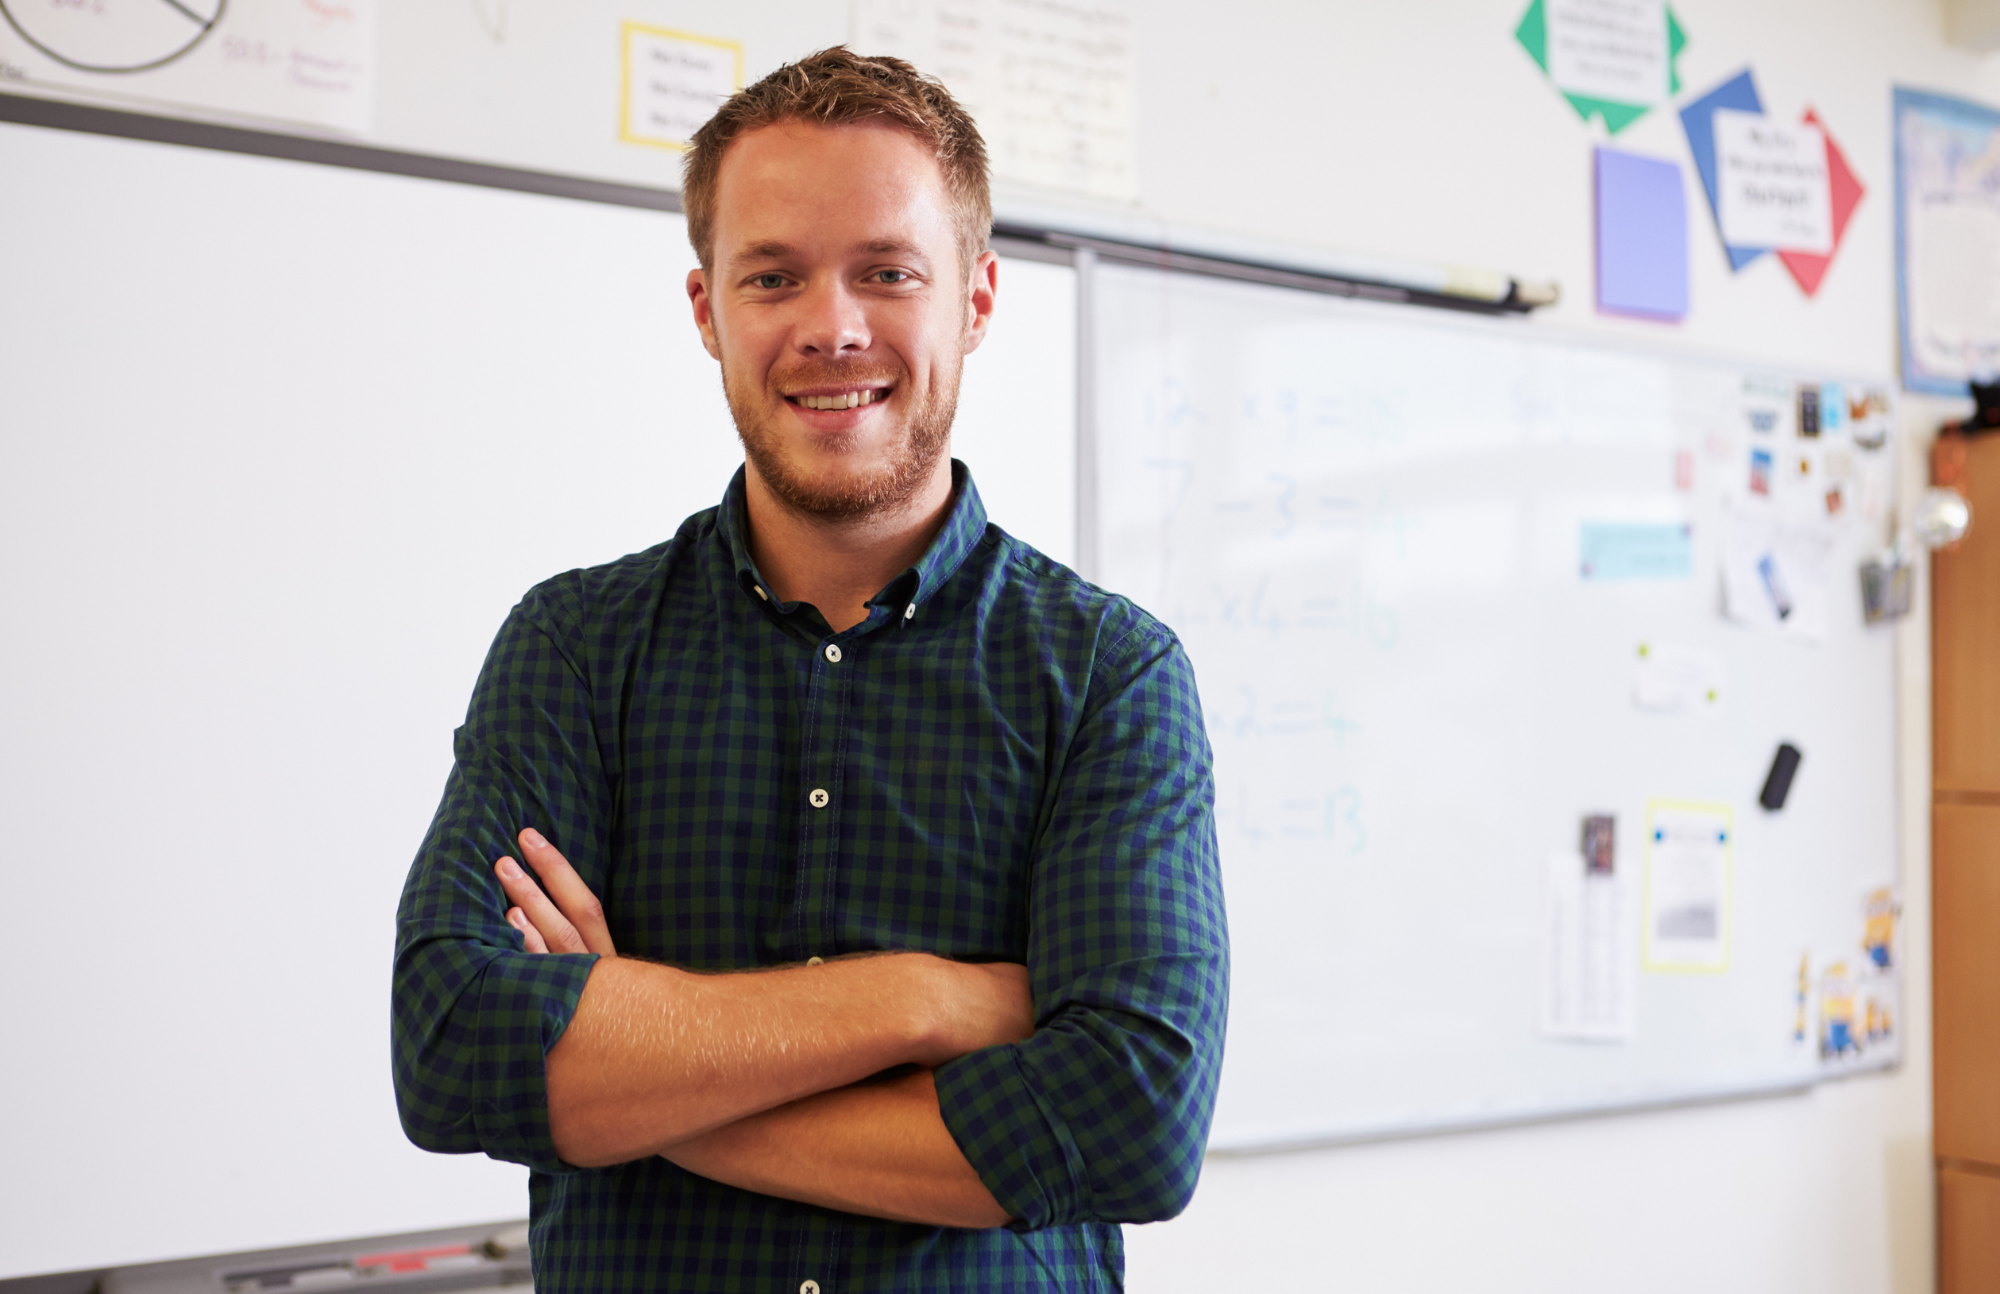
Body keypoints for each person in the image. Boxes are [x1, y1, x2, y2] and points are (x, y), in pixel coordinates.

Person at [391, 46, 1228, 1293]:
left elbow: (1131, 1122)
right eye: (772, 275)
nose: (831, 326)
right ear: (706, 310)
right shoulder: (572, 646)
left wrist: (642, 1074)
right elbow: (455, 1048)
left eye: (886, 272)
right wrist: (927, 1002)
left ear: (977, 302)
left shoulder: (1108, 673)